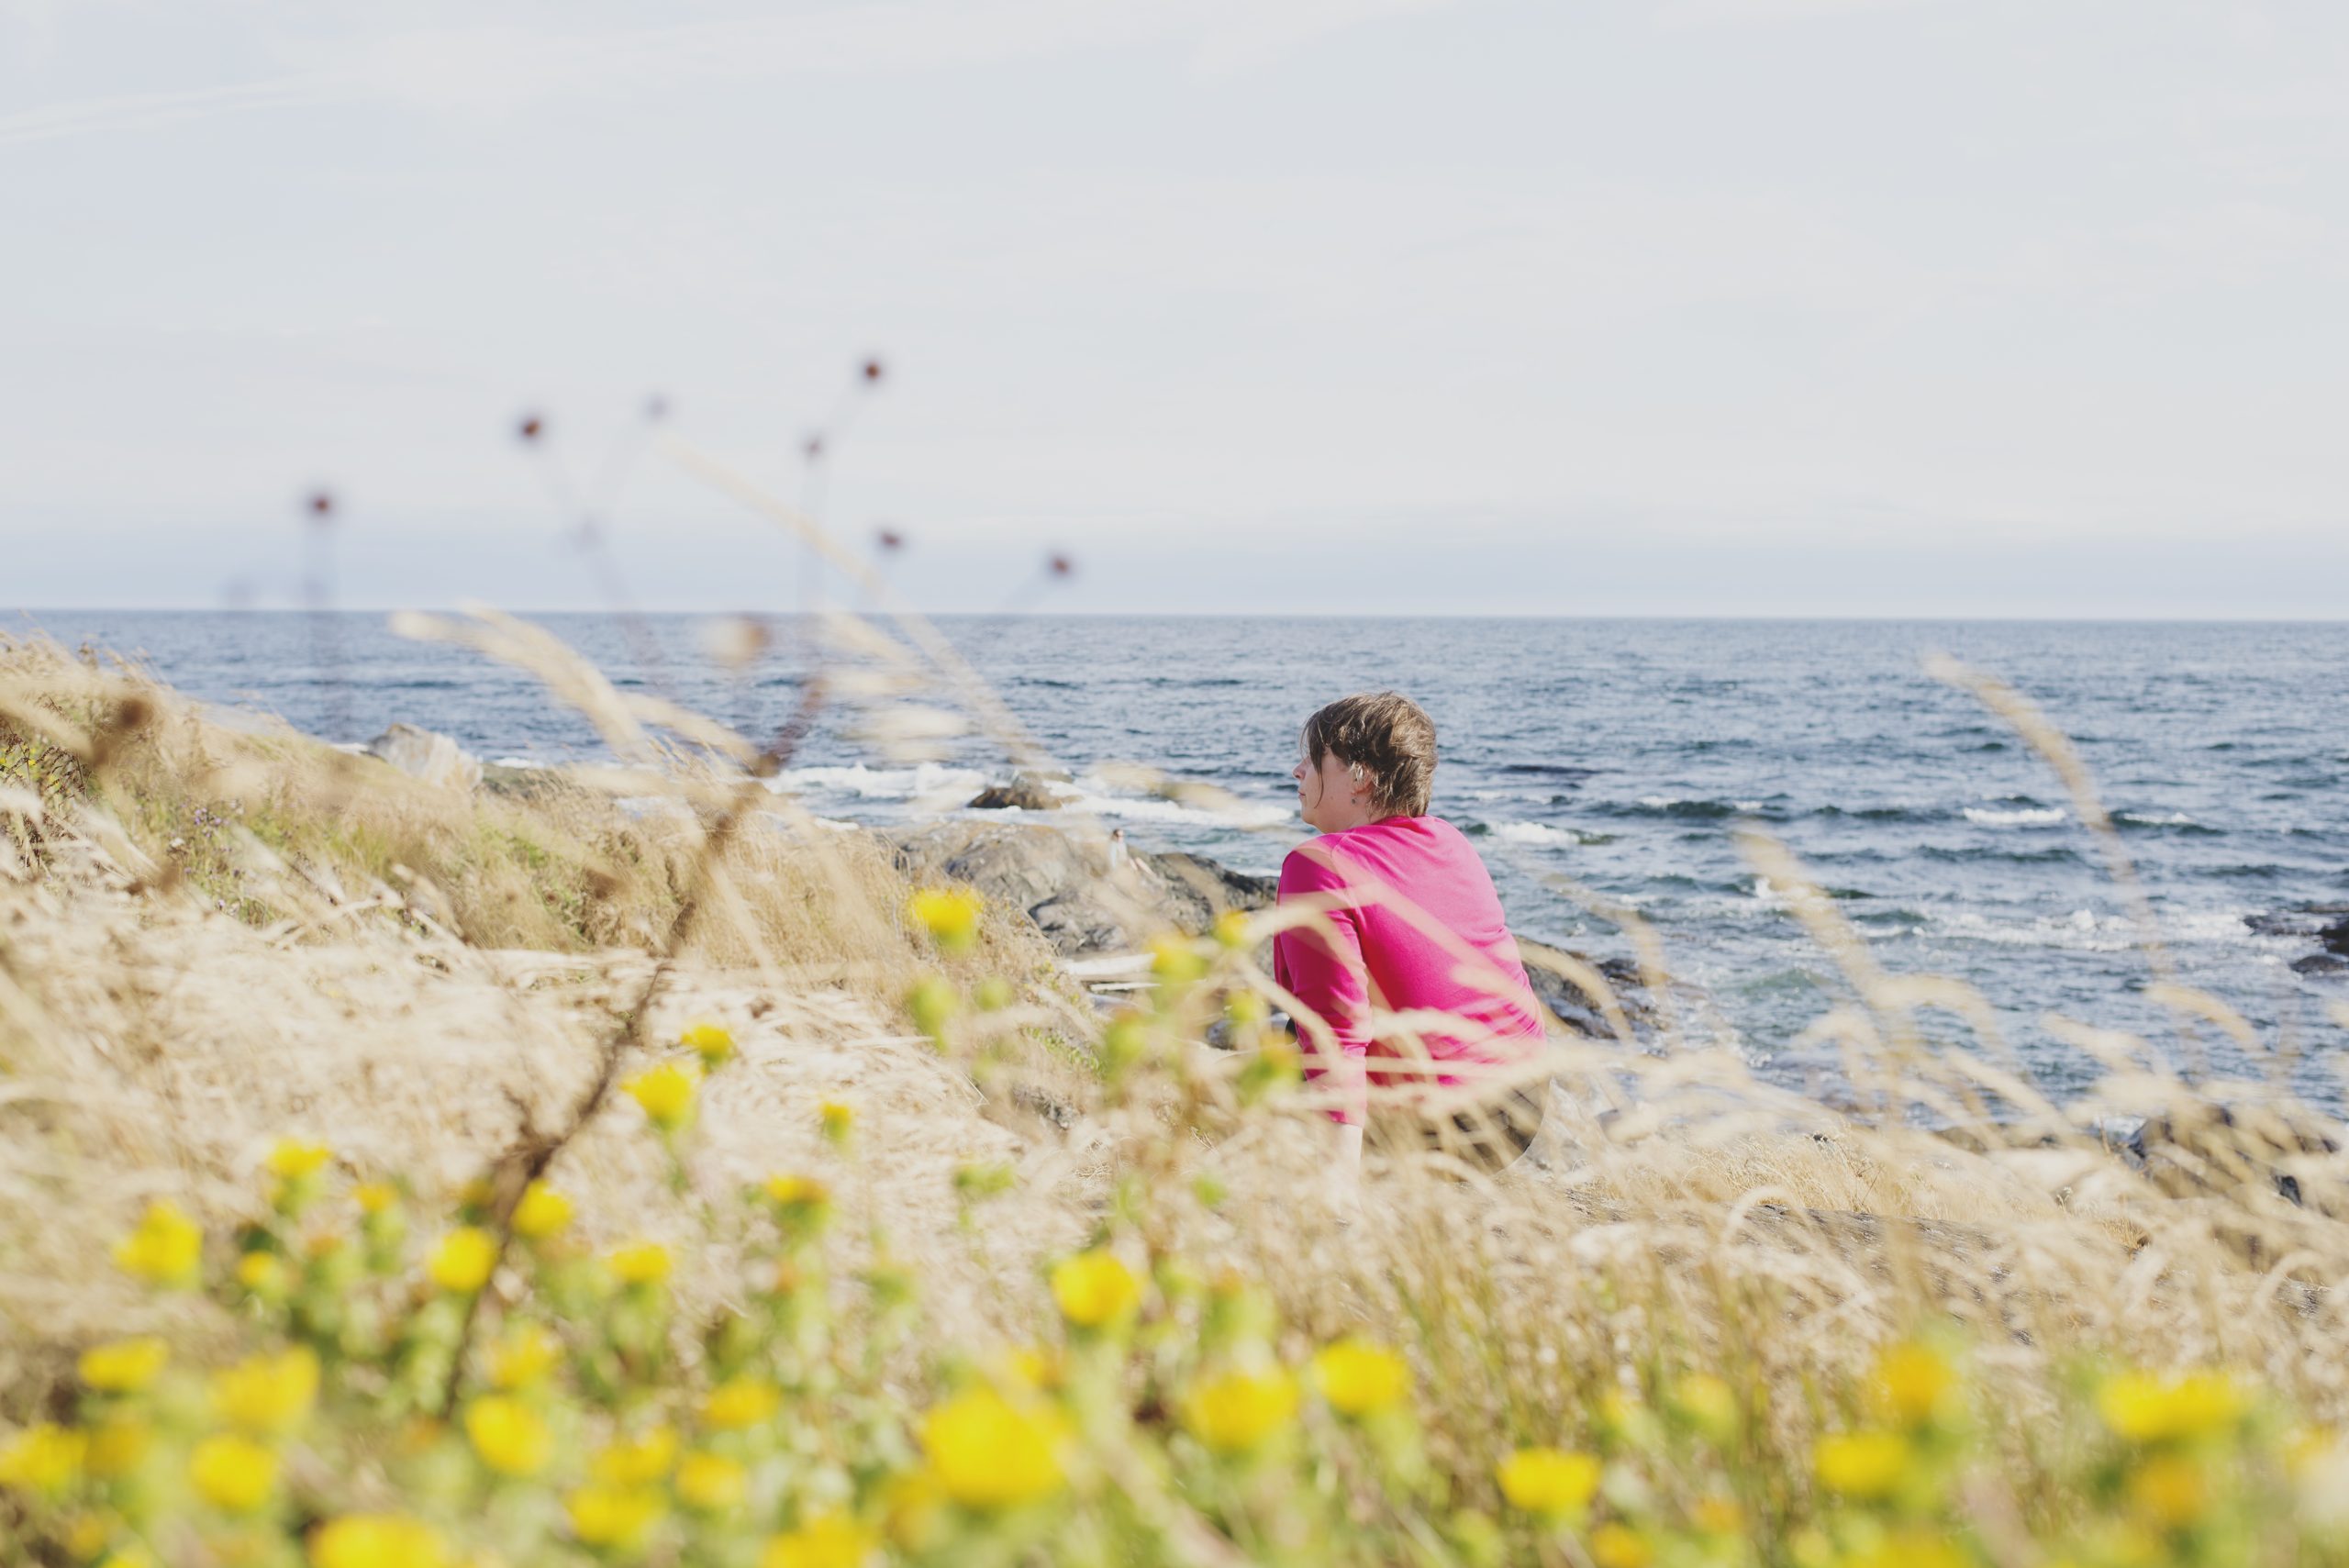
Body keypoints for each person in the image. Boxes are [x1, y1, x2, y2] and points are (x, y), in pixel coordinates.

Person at [1272, 691, 1550, 1184]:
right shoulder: (1452, 841)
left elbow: (1333, 1029)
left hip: (1435, 1128)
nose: (1298, 771)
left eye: (1315, 760)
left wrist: (1336, 1192)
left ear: (1360, 777)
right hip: (1521, 1108)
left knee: (1247, 1079)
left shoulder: (1318, 864)